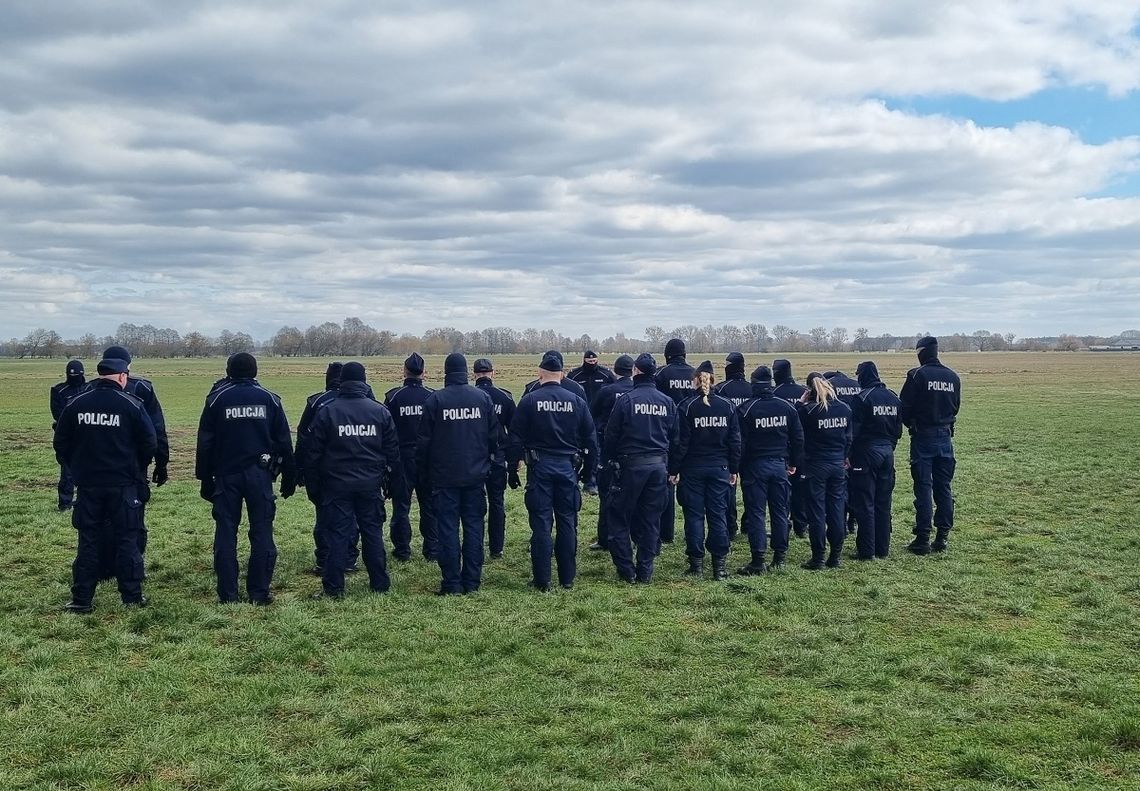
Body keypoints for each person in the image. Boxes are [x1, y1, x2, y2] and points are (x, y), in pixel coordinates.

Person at [54, 356, 156, 612]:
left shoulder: (76, 403)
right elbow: (149, 442)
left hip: (88, 485)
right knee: (127, 539)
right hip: (123, 485)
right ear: (123, 376)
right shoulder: (131, 404)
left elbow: (61, 443)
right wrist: (135, 467)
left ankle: (82, 600)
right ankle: (131, 597)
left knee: (88, 540)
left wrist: (77, 467)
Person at [195, 353, 296, 605]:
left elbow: (205, 443)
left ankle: (228, 594)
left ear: (228, 370)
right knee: (262, 532)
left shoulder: (216, 399)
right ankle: (259, 593)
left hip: (226, 474)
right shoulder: (270, 399)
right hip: (260, 475)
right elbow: (284, 441)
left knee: (226, 532)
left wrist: (204, 478)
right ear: (255, 371)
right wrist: (289, 476)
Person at [302, 362, 404, 599]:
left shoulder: (327, 411)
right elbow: (393, 454)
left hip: (336, 484)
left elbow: (312, 454)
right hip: (370, 483)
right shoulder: (379, 411)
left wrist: (314, 487)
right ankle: (379, 583)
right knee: (372, 533)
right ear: (364, 381)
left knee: (337, 535)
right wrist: (393, 484)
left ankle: (334, 587)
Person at [509, 351, 598, 591]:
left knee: (541, 524)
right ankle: (567, 578)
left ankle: (542, 580)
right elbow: (591, 440)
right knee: (568, 522)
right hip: (568, 468)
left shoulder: (529, 399)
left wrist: (512, 467)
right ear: (561, 374)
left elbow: (515, 438)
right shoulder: (576, 400)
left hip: (539, 468)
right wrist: (589, 475)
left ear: (540, 374)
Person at [416, 353, 500, 595]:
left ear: (446, 372)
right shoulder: (482, 398)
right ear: (466, 372)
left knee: (448, 529)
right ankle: (472, 581)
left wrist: (424, 473)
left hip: (444, 477)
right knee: (474, 527)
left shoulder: (436, 400)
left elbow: (424, 443)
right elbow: (493, 438)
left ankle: (451, 583)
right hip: (475, 475)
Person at [604, 353, 678, 583]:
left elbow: (611, 436)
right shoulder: (667, 402)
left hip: (630, 467)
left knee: (618, 517)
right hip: (659, 467)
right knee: (651, 519)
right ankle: (645, 570)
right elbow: (675, 439)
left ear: (635, 371)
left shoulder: (626, 400)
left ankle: (626, 569)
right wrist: (673, 469)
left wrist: (609, 462)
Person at [93, 346, 169, 559]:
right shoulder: (143, 388)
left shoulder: (89, 390)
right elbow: (156, 430)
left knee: (98, 518)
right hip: (132, 466)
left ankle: (104, 563)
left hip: (95, 465)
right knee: (133, 517)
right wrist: (161, 463)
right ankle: (134, 562)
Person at [670, 361, 740, 580]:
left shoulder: (687, 406)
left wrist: (674, 469)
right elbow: (735, 441)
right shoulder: (727, 406)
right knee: (718, 515)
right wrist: (734, 468)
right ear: (713, 379)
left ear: (695, 381)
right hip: (720, 468)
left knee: (694, 516)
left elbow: (681, 443)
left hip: (693, 469)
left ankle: (696, 564)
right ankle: (719, 567)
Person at [736, 365, 803, 573]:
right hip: (779, 466)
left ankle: (758, 560)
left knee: (756, 513)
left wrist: (738, 467)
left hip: (755, 466)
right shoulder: (787, 407)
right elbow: (798, 438)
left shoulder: (746, 409)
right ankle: (780, 557)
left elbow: (740, 443)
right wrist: (793, 463)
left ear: (753, 383)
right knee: (780, 511)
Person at [900, 336, 961, 554]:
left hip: (923, 438)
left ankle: (923, 538)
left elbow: (904, 408)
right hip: (945, 438)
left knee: (924, 488)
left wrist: (913, 424)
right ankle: (942, 536)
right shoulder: (953, 377)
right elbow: (955, 407)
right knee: (943, 488)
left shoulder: (917, 375)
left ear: (921, 352)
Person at [297, 362, 360, 574]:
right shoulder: (365, 400)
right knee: (352, 516)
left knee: (324, 514)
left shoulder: (317, 402)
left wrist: (301, 469)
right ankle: (349, 557)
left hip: (325, 471)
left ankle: (325, 557)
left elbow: (304, 437)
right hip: (359, 468)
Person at [384, 353, 439, 562]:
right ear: (424, 373)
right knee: (430, 505)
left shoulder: (393, 397)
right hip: (428, 458)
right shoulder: (432, 396)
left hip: (402, 457)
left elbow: (387, 430)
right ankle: (432, 550)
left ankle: (402, 550)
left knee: (401, 506)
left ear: (404, 371)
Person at [796, 373, 853, 570]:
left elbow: (797, 430)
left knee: (817, 512)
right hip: (837, 465)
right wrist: (844, 456)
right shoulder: (845, 409)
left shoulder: (809, 411)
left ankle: (818, 557)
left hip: (815, 466)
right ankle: (836, 556)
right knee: (837, 510)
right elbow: (849, 438)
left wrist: (799, 402)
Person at [849, 361, 903, 560]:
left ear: (862, 376)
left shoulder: (861, 398)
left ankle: (866, 550)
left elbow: (853, 432)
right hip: (888, 451)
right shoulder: (893, 398)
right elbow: (898, 431)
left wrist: (849, 455)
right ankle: (882, 548)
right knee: (883, 502)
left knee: (865, 502)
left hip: (866, 452)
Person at [587, 354, 635, 551]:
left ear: (615, 371)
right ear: (632, 371)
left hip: (607, 448)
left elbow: (591, 415)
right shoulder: (636, 390)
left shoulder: (606, 391)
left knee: (606, 494)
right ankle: (631, 536)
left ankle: (605, 538)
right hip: (633, 450)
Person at [473, 358, 516, 559]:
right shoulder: (505, 397)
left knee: (476, 502)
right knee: (497, 502)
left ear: (474, 375)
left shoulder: (471, 398)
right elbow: (514, 431)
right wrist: (513, 458)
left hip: (474, 456)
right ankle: (496, 547)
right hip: (498, 455)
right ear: (493, 373)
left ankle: (476, 544)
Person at [654, 338, 696, 544]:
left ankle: (665, 531)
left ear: (667, 354)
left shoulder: (661, 374)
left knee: (667, 479)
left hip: (668, 431)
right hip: (693, 432)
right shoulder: (694, 373)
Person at [714, 352, 751, 539]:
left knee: (729, 487)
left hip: (729, 445)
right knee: (751, 487)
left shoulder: (722, 389)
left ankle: (730, 525)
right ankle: (749, 522)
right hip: (751, 445)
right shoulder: (751, 388)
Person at [772, 358, 809, 538]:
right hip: (804, 447)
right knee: (801, 489)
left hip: (783, 448)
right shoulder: (804, 391)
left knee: (783, 491)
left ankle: (783, 525)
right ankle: (801, 526)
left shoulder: (775, 393)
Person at [825, 369, 863, 534]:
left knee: (839, 489)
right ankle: (852, 521)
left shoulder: (830, 385)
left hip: (838, 442)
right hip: (858, 440)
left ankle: (840, 522)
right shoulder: (856, 385)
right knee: (855, 485)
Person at [49, 360, 86, 511]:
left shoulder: (89, 388)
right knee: (67, 472)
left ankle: (85, 500)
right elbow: (57, 413)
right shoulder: (59, 390)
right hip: (68, 436)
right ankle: (65, 503)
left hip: (87, 435)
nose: (74, 377)